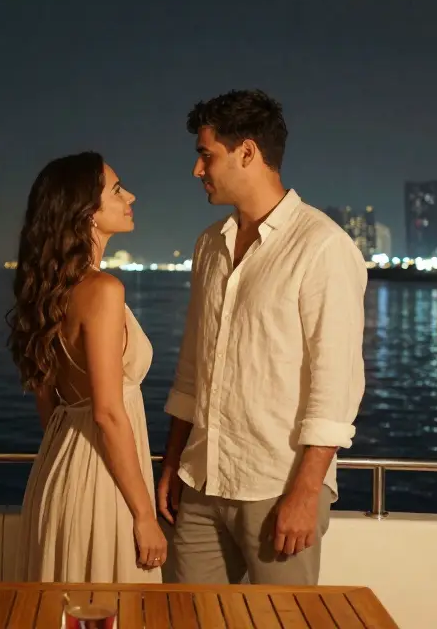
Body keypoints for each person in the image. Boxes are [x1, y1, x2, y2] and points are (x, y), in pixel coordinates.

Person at [157, 89, 367, 585]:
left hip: (278, 484)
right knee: (187, 618)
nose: (197, 170)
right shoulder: (209, 245)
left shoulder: (321, 246)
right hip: (200, 479)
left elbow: (335, 386)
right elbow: (192, 368)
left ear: (247, 152)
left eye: (206, 155)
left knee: (281, 618)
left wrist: (306, 493)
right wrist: (172, 464)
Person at [8, 151, 166, 583]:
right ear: (87, 211)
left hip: (59, 468)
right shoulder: (103, 290)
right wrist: (144, 514)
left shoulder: (47, 290)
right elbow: (108, 413)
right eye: (117, 190)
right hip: (104, 480)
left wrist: (72, 460)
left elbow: (47, 399)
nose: (130, 196)